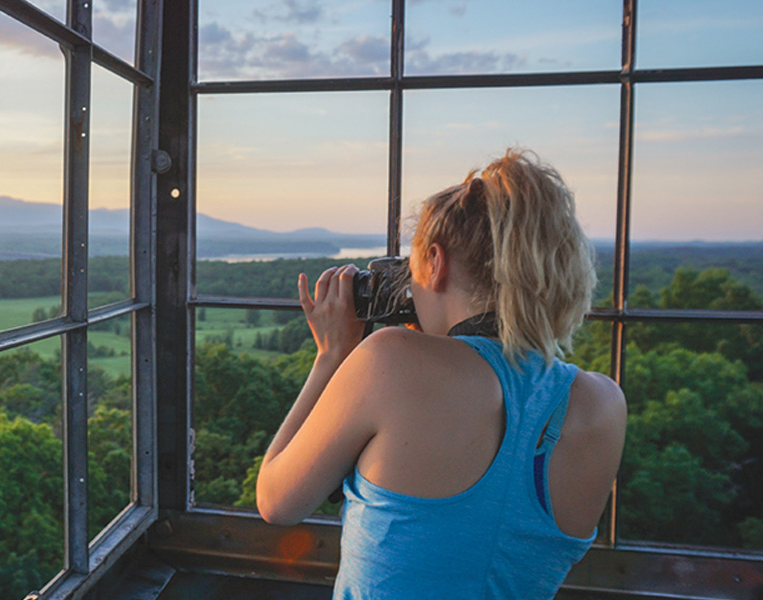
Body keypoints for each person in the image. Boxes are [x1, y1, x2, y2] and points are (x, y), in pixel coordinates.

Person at [255, 149, 627, 599]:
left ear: (435, 262)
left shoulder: (389, 359)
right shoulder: (603, 404)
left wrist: (333, 356)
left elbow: (276, 502)